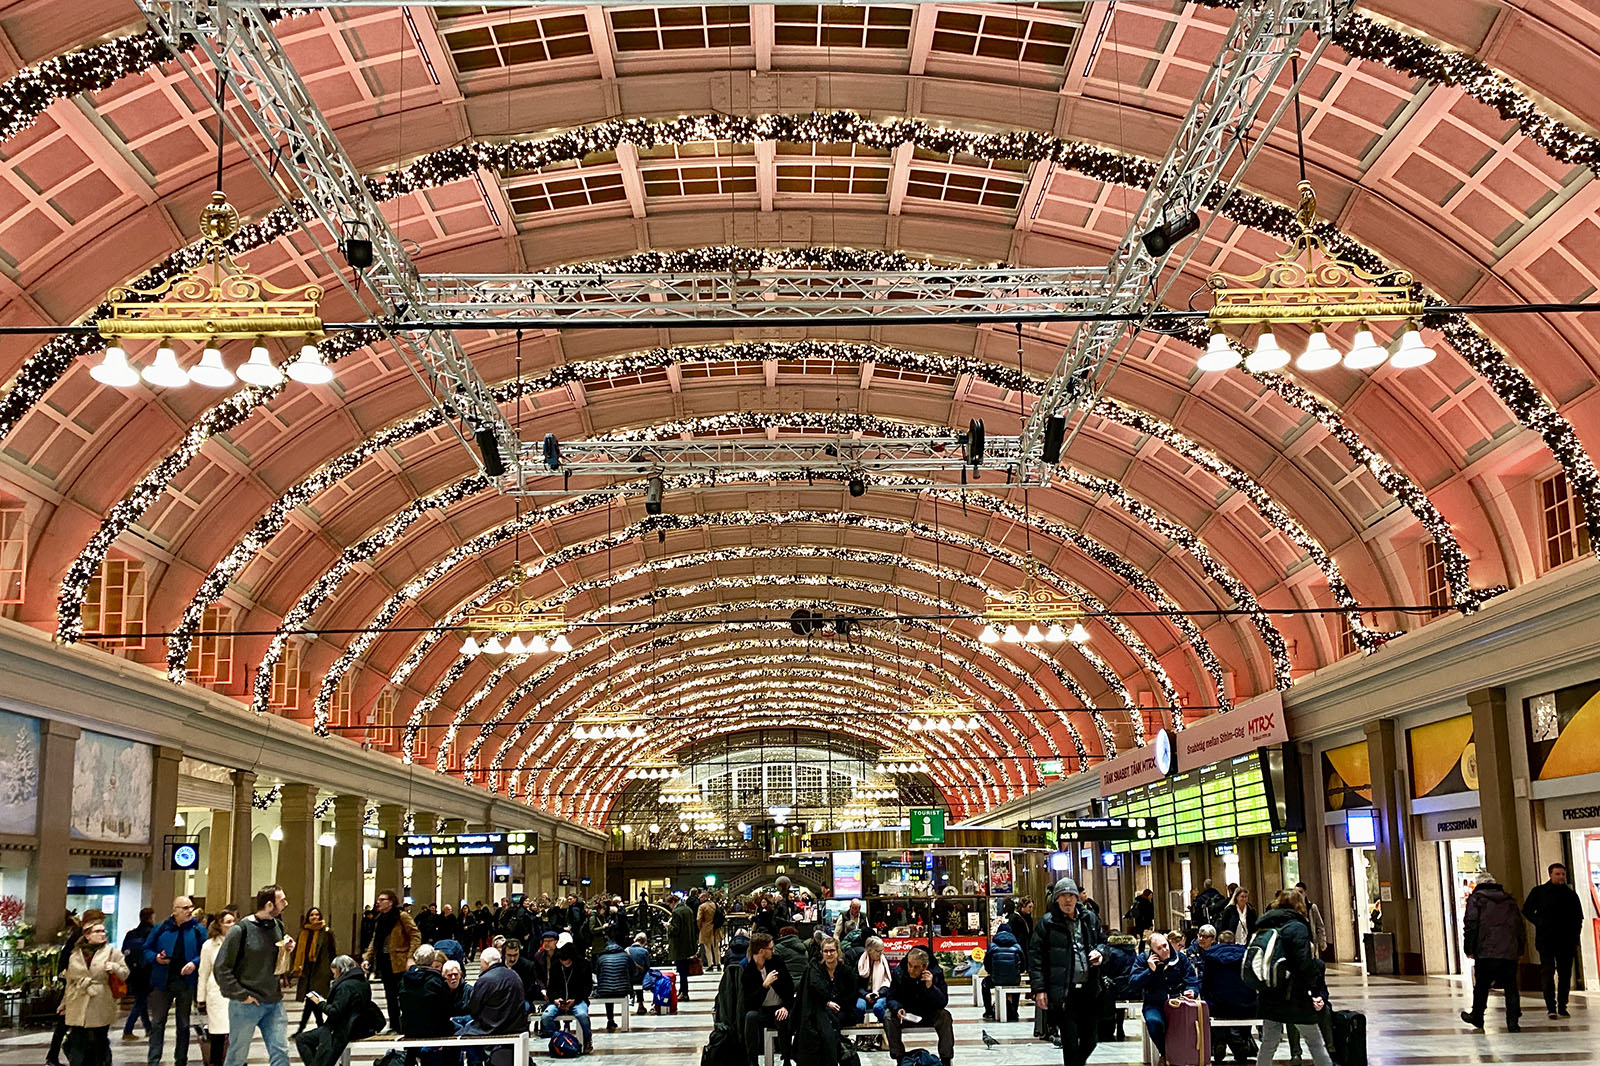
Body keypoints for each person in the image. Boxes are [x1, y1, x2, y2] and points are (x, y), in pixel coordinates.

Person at [214, 885, 296, 1066]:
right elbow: (221, 968)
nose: (286, 903)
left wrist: (288, 949)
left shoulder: (278, 926)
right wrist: (241, 995)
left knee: (281, 1052)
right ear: (268, 905)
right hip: (246, 1004)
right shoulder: (240, 930)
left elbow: (278, 962)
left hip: (273, 1002)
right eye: (281, 900)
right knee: (237, 1055)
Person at [1030, 877, 1106, 1066]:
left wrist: (1101, 953)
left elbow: (1103, 942)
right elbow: (1035, 958)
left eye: (1071, 895)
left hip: (1089, 990)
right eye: (1063, 895)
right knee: (1070, 1043)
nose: (1068, 900)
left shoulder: (1089, 918)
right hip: (1064, 992)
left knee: (1091, 1040)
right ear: (1056, 899)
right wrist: (1039, 989)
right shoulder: (1046, 924)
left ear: (1077, 898)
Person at [1252, 890, 1332, 1066]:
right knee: (1315, 1042)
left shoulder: (1266, 925)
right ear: (1299, 904)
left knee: (1268, 1043)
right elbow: (1303, 962)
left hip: (1270, 991)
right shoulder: (1297, 927)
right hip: (1294, 995)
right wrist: (1311, 986)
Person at [144, 896, 207, 1066]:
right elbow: (146, 950)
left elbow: (205, 953)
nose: (189, 911)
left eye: (190, 908)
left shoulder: (198, 930)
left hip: (185, 983)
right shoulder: (161, 929)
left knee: (184, 1024)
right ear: (175, 910)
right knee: (157, 1022)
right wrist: (156, 958)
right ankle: (154, 1060)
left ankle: (181, 1059)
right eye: (185, 908)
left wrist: (194, 963)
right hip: (162, 981)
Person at [1461, 871, 1523, 1033]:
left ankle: (1477, 1016)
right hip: (1509, 950)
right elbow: (1518, 925)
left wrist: (1469, 948)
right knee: (1511, 986)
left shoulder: (1476, 899)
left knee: (1481, 985)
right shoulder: (1509, 900)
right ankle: (1513, 1021)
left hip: (1486, 951)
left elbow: (1471, 924)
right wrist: (1520, 948)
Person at [59, 919, 128, 1066]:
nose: (102, 934)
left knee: (99, 1039)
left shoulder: (112, 952)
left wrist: (114, 967)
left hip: (100, 999)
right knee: (77, 1040)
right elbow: (70, 980)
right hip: (77, 999)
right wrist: (64, 1003)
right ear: (87, 935)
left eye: (103, 931)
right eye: (97, 931)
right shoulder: (75, 954)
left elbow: (125, 974)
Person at [1523, 862, 1584, 1019]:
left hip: (1567, 942)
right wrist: (1540, 922)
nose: (1561, 877)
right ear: (1550, 875)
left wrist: (1575, 935)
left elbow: (1578, 917)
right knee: (1548, 972)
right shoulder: (1539, 892)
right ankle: (1551, 1006)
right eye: (1557, 874)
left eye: (1563, 874)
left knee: (1565, 975)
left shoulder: (1570, 895)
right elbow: (1526, 910)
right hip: (1546, 940)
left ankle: (1562, 1005)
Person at [1127, 931, 1199, 1062]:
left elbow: (1192, 981)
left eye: (1165, 945)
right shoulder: (1143, 959)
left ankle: (1181, 1056)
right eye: (1159, 948)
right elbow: (1133, 983)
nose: (1165, 950)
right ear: (1153, 951)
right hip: (1154, 1003)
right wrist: (1150, 970)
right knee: (1154, 1022)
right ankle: (1166, 1053)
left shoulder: (1180, 958)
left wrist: (1192, 991)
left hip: (1178, 1002)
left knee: (1187, 1027)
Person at [291, 956, 373, 1066]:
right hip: (359, 1026)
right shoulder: (362, 982)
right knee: (304, 1040)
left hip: (341, 1030)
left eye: (334, 973)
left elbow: (335, 1012)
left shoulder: (345, 986)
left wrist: (320, 1002)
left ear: (341, 970)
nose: (334, 977)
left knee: (302, 1040)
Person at [1196, 924, 1257, 1065]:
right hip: (1246, 1005)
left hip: (1220, 1006)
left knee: (1211, 1005)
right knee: (1242, 1003)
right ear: (1234, 941)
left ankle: (1220, 1040)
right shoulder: (1247, 954)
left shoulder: (1211, 956)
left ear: (1218, 941)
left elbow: (1206, 985)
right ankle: (1240, 1041)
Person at [793, 937, 859, 1066]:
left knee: (829, 1023)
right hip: (822, 1010)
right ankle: (840, 1052)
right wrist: (827, 1003)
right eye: (826, 951)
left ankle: (837, 1053)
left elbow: (852, 995)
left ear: (838, 952)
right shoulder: (817, 971)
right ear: (822, 952)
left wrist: (837, 1005)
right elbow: (813, 994)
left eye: (832, 951)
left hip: (843, 1010)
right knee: (821, 1024)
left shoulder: (846, 971)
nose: (829, 954)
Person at [883, 947, 953, 1066]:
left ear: (924, 967)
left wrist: (930, 987)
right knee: (888, 1016)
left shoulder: (936, 973)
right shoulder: (899, 972)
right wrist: (898, 1008)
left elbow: (942, 1002)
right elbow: (891, 997)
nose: (911, 969)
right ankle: (899, 1057)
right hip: (907, 1013)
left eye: (915, 967)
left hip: (928, 1012)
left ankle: (946, 1059)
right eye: (909, 965)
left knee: (945, 1016)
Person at [460, 947, 529, 1066]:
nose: (481, 966)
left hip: (494, 1027)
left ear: (486, 962)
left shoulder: (485, 979)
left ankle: (477, 1062)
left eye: (481, 963)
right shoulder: (514, 975)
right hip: (516, 1025)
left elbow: (473, 1009)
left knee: (461, 1031)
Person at [743, 932, 795, 1066]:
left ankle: (787, 1059)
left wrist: (786, 1007)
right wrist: (765, 985)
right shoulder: (748, 970)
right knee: (750, 1017)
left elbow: (789, 988)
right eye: (771, 949)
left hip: (779, 1007)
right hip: (761, 1009)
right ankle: (752, 1060)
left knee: (783, 1018)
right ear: (761, 951)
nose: (773, 951)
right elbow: (750, 1002)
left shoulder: (776, 962)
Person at [398, 944, 455, 1066]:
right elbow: (448, 1009)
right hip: (435, 1030)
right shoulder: (437, 981)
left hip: (409, 1028)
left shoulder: (404, 980)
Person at [197, 913, 235, 1066]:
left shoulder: (240, 942)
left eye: (233, 921)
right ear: (219, 925)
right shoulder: (209, 945)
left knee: (237, 1034)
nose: (232, 925)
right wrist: (201, 998)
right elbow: (203, 972)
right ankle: (215, 1062)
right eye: (228, 922)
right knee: (218, 1033)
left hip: (236, 992)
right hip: (217, 993)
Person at [540, 944, 594, 1054]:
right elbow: (551, 988)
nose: (565, 963)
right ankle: (557, 1037)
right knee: (546, 1016)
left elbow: (587, 988)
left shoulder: (583, 965)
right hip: (559, 1002)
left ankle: (587, 1039)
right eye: (563, 961)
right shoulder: (556, 967)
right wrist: (555, 999)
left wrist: (575, 999)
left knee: (582, 1015)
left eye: (568, 961)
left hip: (578, 1000)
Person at [291, 907, 336, 1035]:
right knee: (312, 1000)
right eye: (312, 915)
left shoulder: (327, 933)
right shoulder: (303, 933)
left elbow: (332, 952)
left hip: (321, 972)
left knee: (313, 999)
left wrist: (333, 971)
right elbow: (297, 953)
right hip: (307, 971)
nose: (314, 917)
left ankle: (304, 1028)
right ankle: (321, 1027)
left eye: (317, 915)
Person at [121, 907, 155, 1041]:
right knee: (140, 1001)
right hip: (147, 972)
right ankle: (128, 1029)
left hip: (133, 973)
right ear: (151, 918)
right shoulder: (151, 933)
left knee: (142, 1001)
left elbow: (125, 952)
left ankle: (148, 1029)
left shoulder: (132, 934)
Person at [980, 923, 1024, 1023]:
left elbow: (986, 963)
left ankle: (988, 1011)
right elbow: (1023, 964)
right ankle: (1014, 1011)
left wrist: (991, 972)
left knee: (984, 984)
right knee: (1017, 983)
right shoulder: (1017, 946)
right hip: (1013, 979)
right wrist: (1018, 972)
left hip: (996, 979)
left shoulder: (992, 946)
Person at [592, 938, 633, 1032]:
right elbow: (632, 971)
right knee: (614, 989)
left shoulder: (601, 958)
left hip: (604, 990)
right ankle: (622, 1023)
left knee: (608, 991)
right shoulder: (625, 956)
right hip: (623, 989)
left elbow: (598, 974)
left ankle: (610, 1019)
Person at [668, 894, 699, 1002]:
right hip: (688, 944)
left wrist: (668, 927)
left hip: (679, 946)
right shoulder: (688, 910)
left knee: (681, 971)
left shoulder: (677, 912)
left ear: (672, 902)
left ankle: (683, 992)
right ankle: (683, 991)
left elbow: (675, 930)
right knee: (684, 971)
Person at [857, 936, 892, 1025]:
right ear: (869, 950)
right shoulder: (859, 963)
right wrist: (865, 995)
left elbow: (887, 982)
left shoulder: (884, 961)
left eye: (882, 950)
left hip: (881, 993)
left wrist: (879, 993)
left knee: (878, 1007)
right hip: (863, 994)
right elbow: (855, 984)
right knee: (859, 1007)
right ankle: (860, 1033)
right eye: (877, 951)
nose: (880, 953)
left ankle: (886, 1029)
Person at [1293, 883, 1327, 958]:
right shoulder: (1294, 909)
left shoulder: (1312, 907)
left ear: (1305, 893)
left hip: (1311, 939)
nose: (1299, 895)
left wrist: (1322, 942)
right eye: (1296, 893)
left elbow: (1319, 925)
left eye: (1301, 892)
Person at [626, 933, 653, 1016]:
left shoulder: (626, 950)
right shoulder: (644, 951)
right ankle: (641, 1005)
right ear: (644, 941)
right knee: (642, 976)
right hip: (640, 978)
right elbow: (647, 966)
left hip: (628, 979)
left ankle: (632, 998)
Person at [698, 897, 719, 970]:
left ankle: (710, 964)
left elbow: (698, 919)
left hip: (705, 928)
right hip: (716, 928)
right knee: (716, 947)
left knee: (707, 948)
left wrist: (700, 927)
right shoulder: (715, 905)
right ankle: (718, 963)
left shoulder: (702, 907)